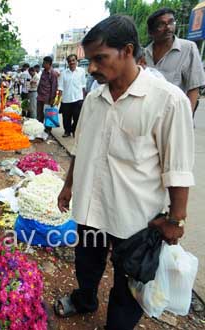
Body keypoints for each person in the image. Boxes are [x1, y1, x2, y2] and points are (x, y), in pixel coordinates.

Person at [55, 15, 194, 330]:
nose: (92, 68)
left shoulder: (167, 101)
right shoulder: (94, 99)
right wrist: (68, 185)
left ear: (128, 51)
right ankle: (84, 299)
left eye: (100, 59)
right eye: (90, 60)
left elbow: (179, 169)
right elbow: (82, 148)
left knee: (128, 286)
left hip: (134, 219)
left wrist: (176, 220)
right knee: (86, 265)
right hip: (92, 209)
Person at [144, 7, 205, 115]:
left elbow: (194, 87)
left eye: (171, 22)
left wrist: (186, 118)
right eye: (161, 24)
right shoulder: (144, 54)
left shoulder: (188, 48)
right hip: (148, 115)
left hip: (175, 114)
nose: (168, 27)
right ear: (151, 31)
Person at [57, 54, 86, 137]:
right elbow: (60, 88)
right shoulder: (63, 73)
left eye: (73, 60)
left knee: (77, 118)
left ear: (76, 61)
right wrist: (58, 100)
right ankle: (67, 131)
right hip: (66, 99)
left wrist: (84, 99)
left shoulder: (81, 71)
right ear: (68, 63)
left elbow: (83, 86)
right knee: (66, 118)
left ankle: (73, 130)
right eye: (70, 61)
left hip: (78, 99)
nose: (72, 62)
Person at [36, 56, 58, 128]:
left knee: (49, 116)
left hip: (47, 99)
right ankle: (39, 128)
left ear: (49, 64)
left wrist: (52, 99)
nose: (43, 64)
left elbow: (54, 88)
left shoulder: (53, 74)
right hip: (40, 97)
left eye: (44, 62)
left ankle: (48, 130)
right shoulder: (43, 72)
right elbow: (40, 83)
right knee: (39, 115)